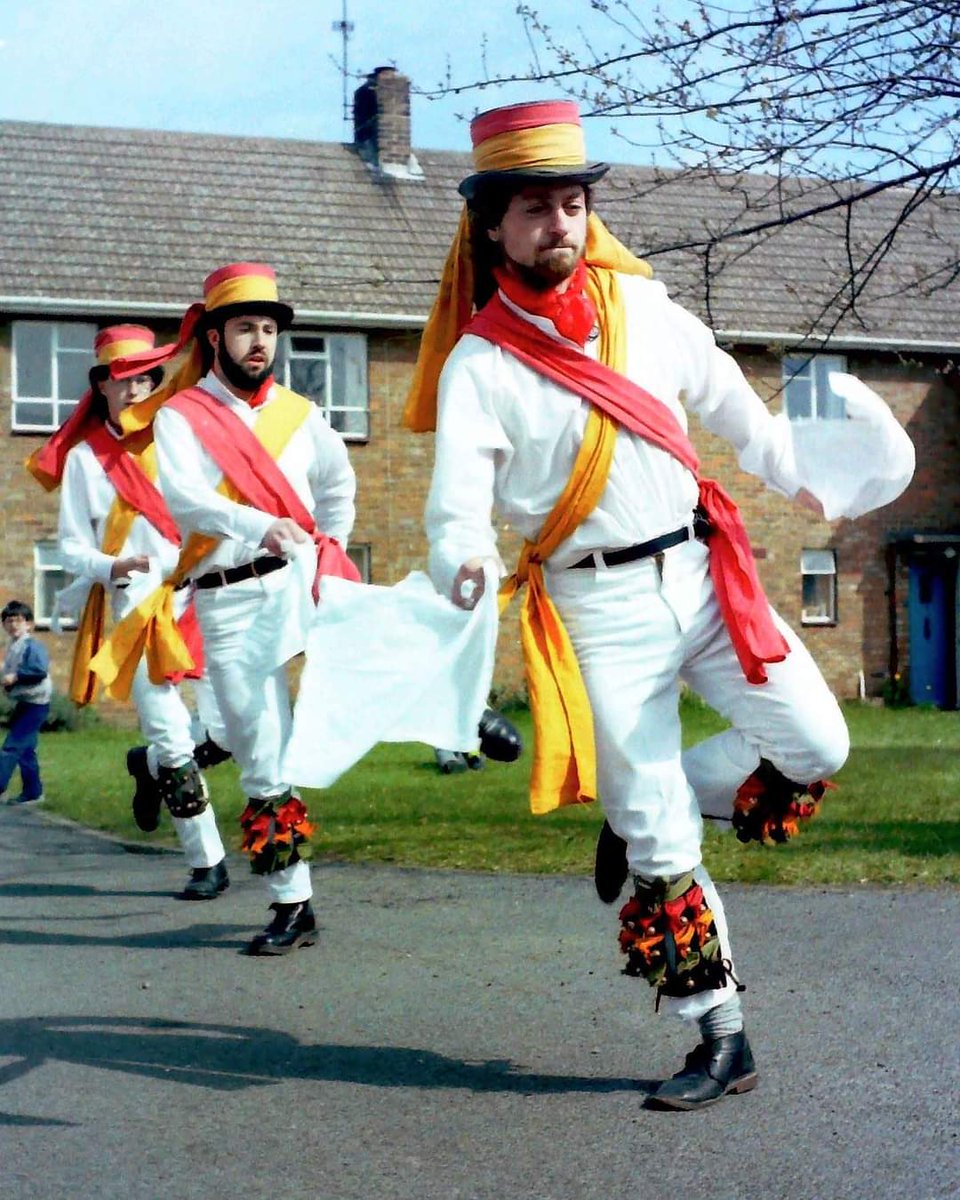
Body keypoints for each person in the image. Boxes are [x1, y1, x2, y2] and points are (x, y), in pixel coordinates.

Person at [405, 100, 850, 1110]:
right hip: (592, 607)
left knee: (819, 747)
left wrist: (796, 474)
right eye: (533, 209)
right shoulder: (480, 365)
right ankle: (721, 1035)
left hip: (703, 576)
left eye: (571, 204)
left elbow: (736, 401)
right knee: (660, 838)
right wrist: (462, 561)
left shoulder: (647, 312)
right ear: (491, 227)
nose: (557, 223)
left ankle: (651, 805)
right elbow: (454, 508)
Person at [90, 264, 359, 956]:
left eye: (269, 329)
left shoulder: (302, 414)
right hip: (229, 601)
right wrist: (258, 523)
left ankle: (458, 723)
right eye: (245, 328)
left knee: (367, 668)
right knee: (261, 750)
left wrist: (330, 544)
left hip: (297, 582)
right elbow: (183, 499)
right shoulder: (182, 415)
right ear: (214, 336)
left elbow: (339, 485)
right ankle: (293, 900)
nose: (260, 342)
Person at [27, 325, 231, 901]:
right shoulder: (87, 461)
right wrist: (109, 567)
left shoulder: (182, 439)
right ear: (101, 388)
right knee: (172, 737)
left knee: (229, 731)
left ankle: (146, 765)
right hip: (135, 611)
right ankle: (205, 860)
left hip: (198, 598)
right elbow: (70, 547)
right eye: (123, 380)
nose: (137, 389)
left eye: (145, 378)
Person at [0, 601, 52, 806]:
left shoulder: (32, 645)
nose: (13, 625)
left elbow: (39, 670)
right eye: (9, 621)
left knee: (11, 747)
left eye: (19, 621)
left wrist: (16, 678)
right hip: (26, 702)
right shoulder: (14, 645)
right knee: (26, 749)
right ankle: (33, 792)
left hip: (36, 703)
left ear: (29, 624)